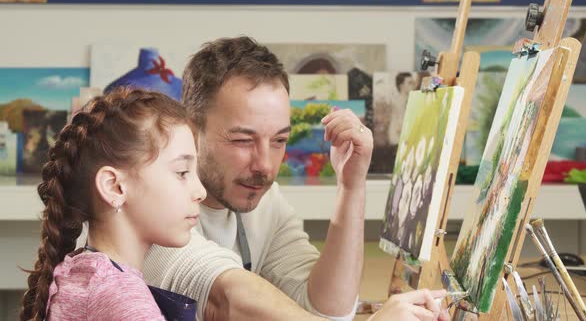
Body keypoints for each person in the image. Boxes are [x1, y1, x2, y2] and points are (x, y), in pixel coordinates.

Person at [144, 36, 450, 321]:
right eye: (242, 141)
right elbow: (225, 299)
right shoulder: (156, 205)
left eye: (279, 141)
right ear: (192, 130)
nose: (264, 165)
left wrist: (351, 184)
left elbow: (327, 308)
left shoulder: (266, 203)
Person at [20, 88, 207, 320]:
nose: (200, 192)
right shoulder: (122, 300)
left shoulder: (88, 274)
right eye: (182, 172)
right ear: (115, 187)